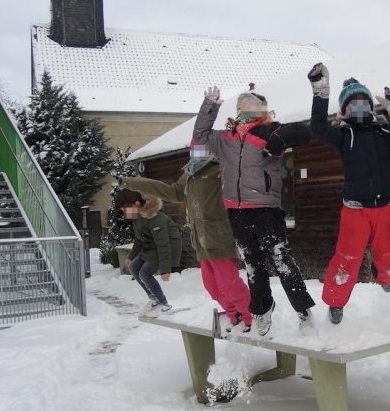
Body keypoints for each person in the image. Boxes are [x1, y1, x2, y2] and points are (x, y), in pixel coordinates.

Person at [193, 86, 316, 336]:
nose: (243, 111)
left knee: (281, 261)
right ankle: (262, 307)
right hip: (236, 210)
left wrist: (279, 140)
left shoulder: (270, 131)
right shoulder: (225, 139)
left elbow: (303, 132)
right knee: (252, 264)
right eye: (240, 107)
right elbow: (199, 138)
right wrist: (210, 106)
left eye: (248, 107)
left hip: (265, 209)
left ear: (260, 110)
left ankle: (303, 310)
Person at [307, 63, 390, 324]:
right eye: (352, 104)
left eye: (364, 103)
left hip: (387, 206)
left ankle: (386, 277)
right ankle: (336, 302)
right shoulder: (341, 134)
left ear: (371, 107)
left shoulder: (383, 132)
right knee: (346, 259)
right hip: (355, 209)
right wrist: (320, 92)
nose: (359, 107)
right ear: (345, 110)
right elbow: (317, 128)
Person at [122, 109, 252, 332]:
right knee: (212, 287)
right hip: (200, 241)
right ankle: (234, 315)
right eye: (193, 148)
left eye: (198, 147)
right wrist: (135, 183)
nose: (195, 151)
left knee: (229, 284)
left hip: (219, 236)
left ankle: (251, 316)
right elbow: (172, 192)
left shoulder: (220, 168)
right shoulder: (189, 174)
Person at [116, 188, 182, 316]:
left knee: (145, 273)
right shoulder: (138, 217)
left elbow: (164, 244)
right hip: (151, 247)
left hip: (167, 246)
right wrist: (131, 257)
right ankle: (154, 299)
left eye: (125, 209)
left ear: (136, 204)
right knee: (134, 267)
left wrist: (165, 269)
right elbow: (139, 240)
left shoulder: (154, 218)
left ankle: (164, 304)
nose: (124, 213)